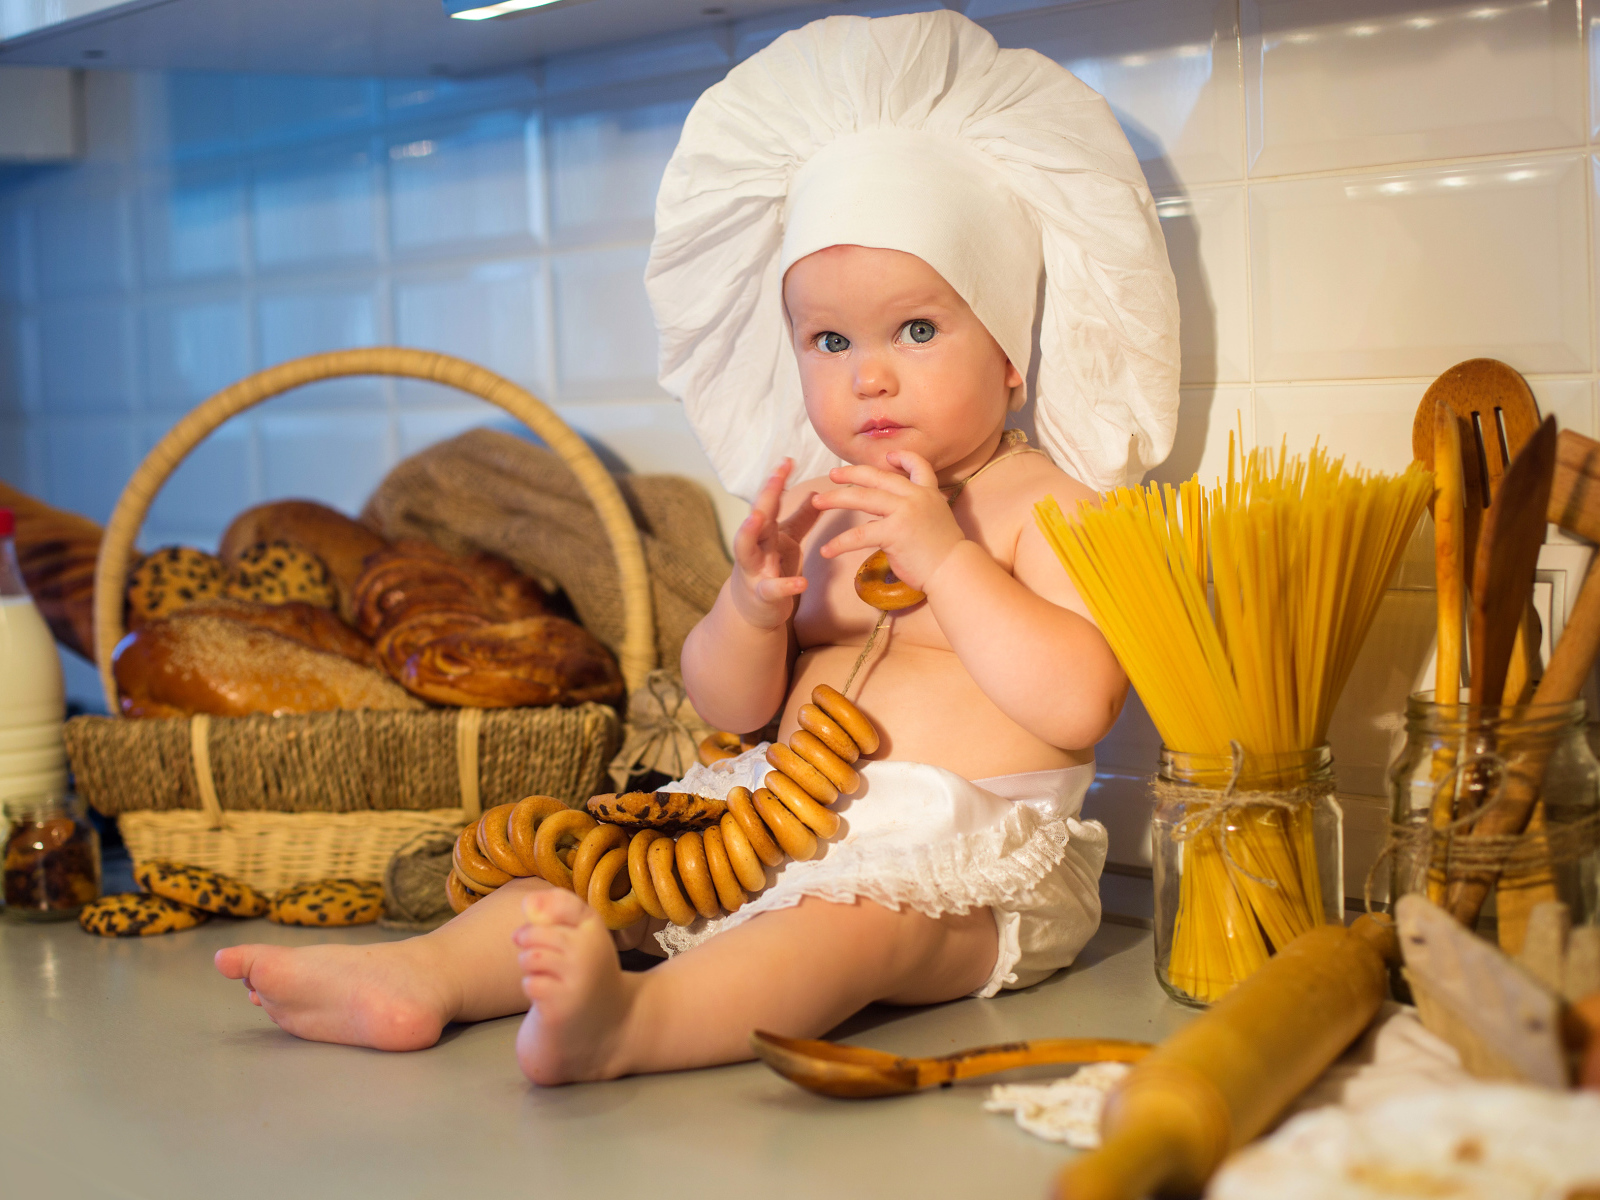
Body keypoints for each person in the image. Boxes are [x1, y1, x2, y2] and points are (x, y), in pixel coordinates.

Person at [214, 9, 1179, 1086]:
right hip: (770, 822)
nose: (870, 375)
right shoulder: (821, 508)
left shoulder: (1040, 502)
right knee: (601, 874)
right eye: (829, 340)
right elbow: (727, 707)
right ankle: (423, 978)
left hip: (963, 873)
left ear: (1009, 353)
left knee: (846, 930)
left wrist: (947, 560)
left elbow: (1078, 700)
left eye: (916, 330)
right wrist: (753, 608)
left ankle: (633, 1023)